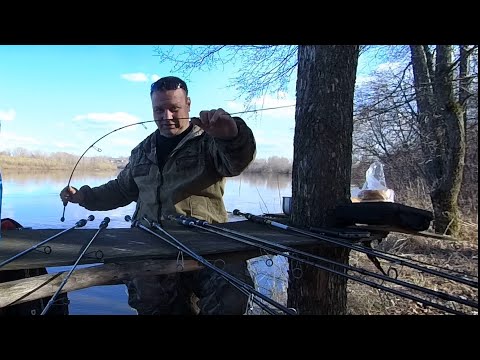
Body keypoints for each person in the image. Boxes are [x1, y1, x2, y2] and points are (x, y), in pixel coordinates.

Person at [60, 76, 257, 315]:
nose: (167, 117)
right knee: (152, 302)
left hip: (206, 243)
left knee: (233, 291)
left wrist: (232, 135)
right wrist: (84, 197)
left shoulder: (210, 141)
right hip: (150, 243)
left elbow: (236, 163)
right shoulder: (142, 150)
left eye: (174, 109)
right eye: (159, 110)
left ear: (188, 104)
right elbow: (122, 190)